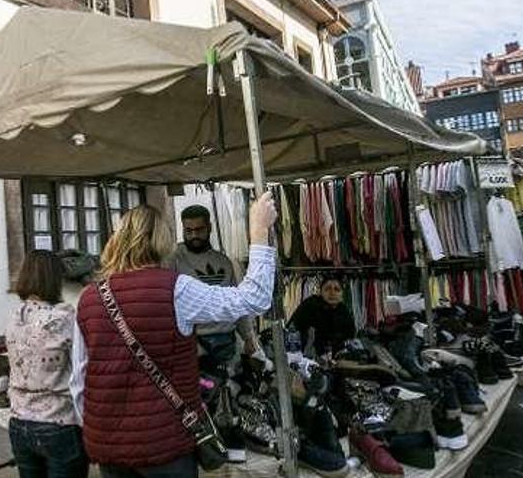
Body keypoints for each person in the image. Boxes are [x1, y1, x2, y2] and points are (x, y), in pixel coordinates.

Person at [71, 194, 277, 477]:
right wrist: (259, 231)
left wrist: (101, 430)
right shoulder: (176, 289)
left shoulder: (88, 298)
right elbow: (255, 298)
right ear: (163, 239)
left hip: (110, 447)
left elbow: (79, 382)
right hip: (166, 445)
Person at [167, 205, 267, 464]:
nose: (194, 235)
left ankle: (227, 451)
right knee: (195, 402)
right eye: (188, 230)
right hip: (193, 343)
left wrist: (249, 338)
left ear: (209, 227)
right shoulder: (173, 261)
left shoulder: (224, 262)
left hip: (225, 342)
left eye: (199, 229)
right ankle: (201, 453)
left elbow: (241, 304)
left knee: (228, 398)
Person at [6, 251, 88, 478]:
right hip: (58, 421)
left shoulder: (14, 317)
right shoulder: (65, 317)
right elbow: (82, 368)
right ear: (55, 279)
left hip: (19, 421)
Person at [287, 277, 356, 356]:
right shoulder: (310, 305)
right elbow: (293, 329)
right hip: (308, 357)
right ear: (320, 292)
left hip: (337, 358)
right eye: (327, 289)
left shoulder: (344, 312)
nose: (332, 293)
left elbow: (350, 337)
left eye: (336, 289)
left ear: (342, 294)